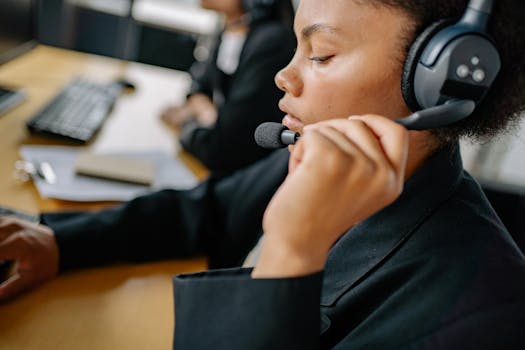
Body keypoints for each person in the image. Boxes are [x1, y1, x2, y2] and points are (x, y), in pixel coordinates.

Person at [1, 0, 525, 348]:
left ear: (443, 81)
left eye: (319, 54)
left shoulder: (484, 315)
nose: (284, 74)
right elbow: (204, 209)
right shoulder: (314, 157)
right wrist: (61, 243)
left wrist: (292, 251)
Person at [160, 0, 296, 174]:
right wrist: (205, 113)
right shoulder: (229, 28)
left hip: (243, 174)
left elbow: (222, 148)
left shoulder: (271, 42)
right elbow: (199, 86)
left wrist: (186, 124)